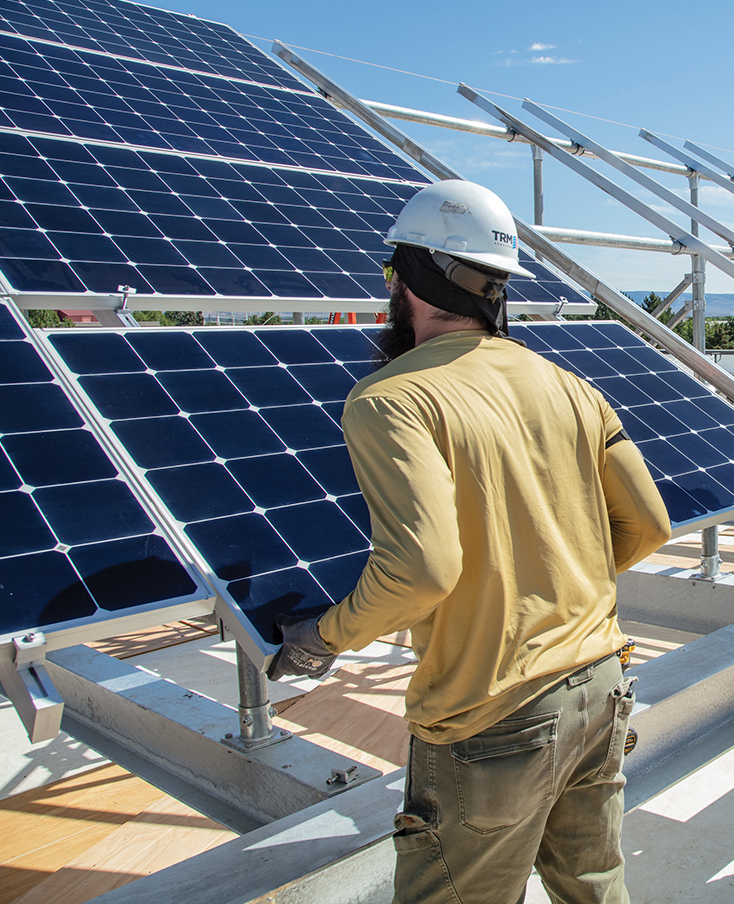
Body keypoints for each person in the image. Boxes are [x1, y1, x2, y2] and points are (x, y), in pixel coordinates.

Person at [268, 179, 672, 904]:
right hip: (600, 685)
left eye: (392, 275)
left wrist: (322, 639)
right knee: (594, 887)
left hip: (494, 716)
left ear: (412, 279)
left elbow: (421, 570)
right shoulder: (570, 385)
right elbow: (648, 525)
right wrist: (546, 584)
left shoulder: (391, 398)